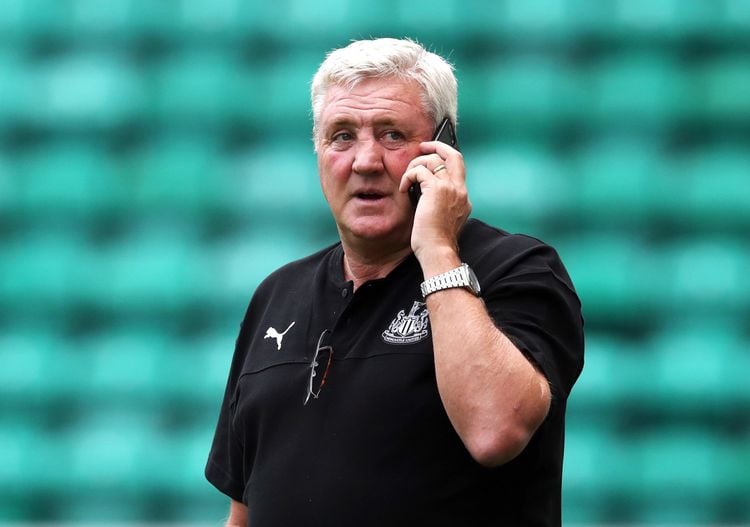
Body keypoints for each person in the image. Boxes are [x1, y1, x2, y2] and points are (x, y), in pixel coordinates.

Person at [206, 37, 584, 526]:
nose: (364, 160)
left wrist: (437, 251)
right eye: (341, 136)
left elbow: (495, 430)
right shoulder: (277, 295)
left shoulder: (517, 269)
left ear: (442, 150)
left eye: (391, 135)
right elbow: (245, 512)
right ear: (319, 153)